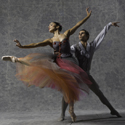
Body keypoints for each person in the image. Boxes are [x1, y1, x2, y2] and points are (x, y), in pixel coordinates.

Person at [2, 8, 92, 122]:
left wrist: (87, 17)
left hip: (69, 61)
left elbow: (78, 24)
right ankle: (17, 59)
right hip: (58, 61)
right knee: (40, 62)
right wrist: (22, 46)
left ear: (57, 27)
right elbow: (36, 44)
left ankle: (71, 110)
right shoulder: (50, 40)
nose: (49, 26)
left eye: (51, 25)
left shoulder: (66, 33)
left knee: (70, 84)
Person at [59, 22, 121, 121]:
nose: (80, 35)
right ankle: (62, 114)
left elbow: (101, 35)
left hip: (87, 75)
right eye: (79, 34)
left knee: (99, 93)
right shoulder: (75, 47)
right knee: (68, 93)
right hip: (77, 75)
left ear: (87, 36)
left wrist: (109, 25)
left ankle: (112, 110)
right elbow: (65, 51)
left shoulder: (92, 46)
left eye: (82, 33)